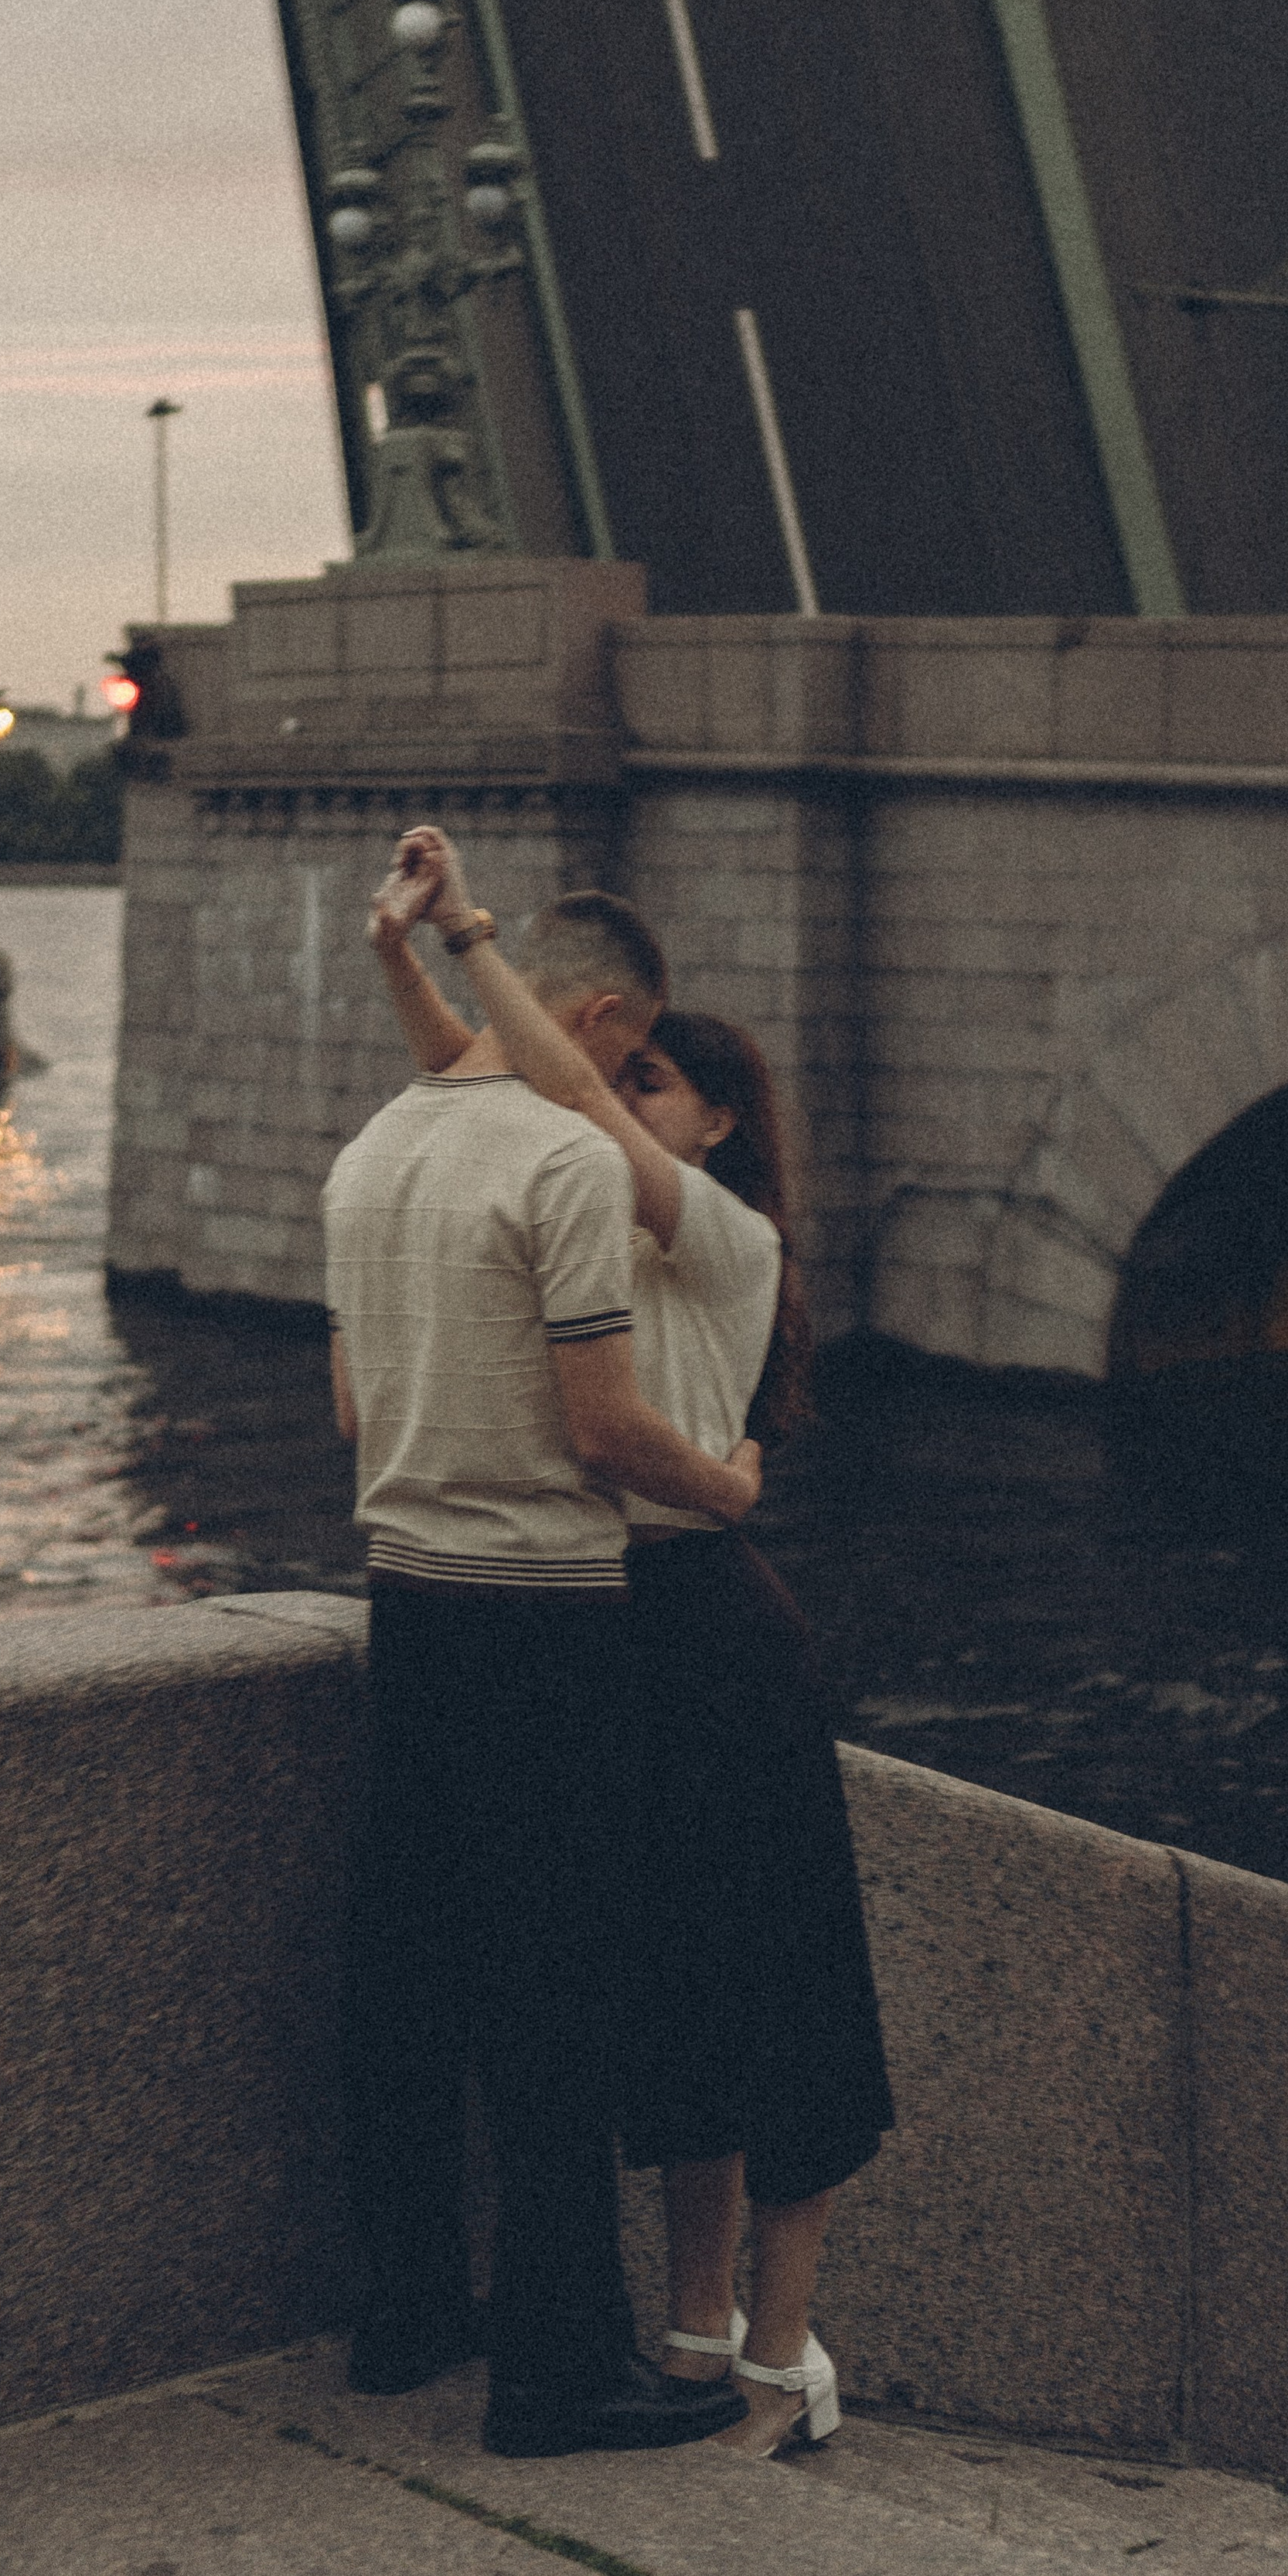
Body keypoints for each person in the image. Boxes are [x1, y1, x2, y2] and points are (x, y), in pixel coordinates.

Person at [371, 829, 893, 2460]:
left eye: (655, 1079)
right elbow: (492, 1081)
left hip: (713, 1642)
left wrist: (466, 933)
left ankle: (780, 2355)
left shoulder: (723, 1237)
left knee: (778, 1997)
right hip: (608, 1635)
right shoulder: (591, 1193)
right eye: (633, 1067)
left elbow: (555, 1091)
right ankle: (687, 2326)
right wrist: (406, 961)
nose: (615, 1090)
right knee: (660, 2001)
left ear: (717, 1125)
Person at [323, 887, 756, 2460]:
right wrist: (724, 1485)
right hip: (544, 1612)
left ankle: (405, 2314)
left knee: (406, 1972)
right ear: (601, 1023)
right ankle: (558, 2371)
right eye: (622, 1052)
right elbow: (599, 1427)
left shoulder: (371, 1154)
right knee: (555, 1993)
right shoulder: (566, 1164)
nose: (608, 1085)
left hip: (405, 1596)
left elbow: (357, 1415)